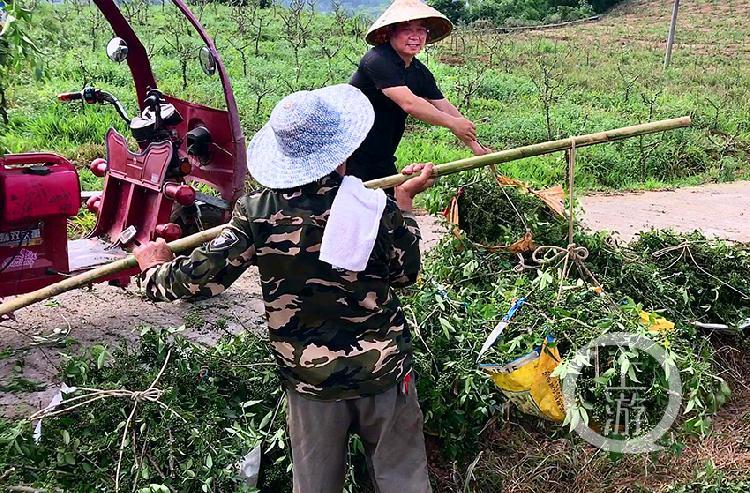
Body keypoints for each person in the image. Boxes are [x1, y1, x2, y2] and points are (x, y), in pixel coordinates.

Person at [133, 84, 436, 493]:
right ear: (343, 150)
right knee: (403, 481)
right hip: (383, 373)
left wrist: (155, 270)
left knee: (314, 484)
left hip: (309, 380)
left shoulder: (258, 214)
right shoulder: (373, 206)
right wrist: (404, 203)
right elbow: (406, 274)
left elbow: (199, 280)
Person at [347, 0, 490, 186]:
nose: (415, 36)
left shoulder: (418, 71)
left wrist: (475, 146)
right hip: (351, 152)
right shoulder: (377, 60)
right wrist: (453, 124)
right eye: (407, 30)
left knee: (386, 207)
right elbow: (410, 103)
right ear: (390, 32)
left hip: (382, 152)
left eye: (421, 30)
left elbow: (443, 105)